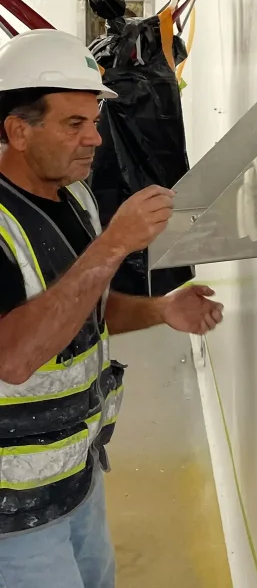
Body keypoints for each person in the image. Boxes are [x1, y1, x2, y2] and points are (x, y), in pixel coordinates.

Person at [0, 29, 223, 588]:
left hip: (78, 472)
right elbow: (15, 357)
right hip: (14, 510)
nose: (95, 139)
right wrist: (113, 246)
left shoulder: (75, 198)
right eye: (74, 124)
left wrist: (161, 309)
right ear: (17, 131)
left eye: (94, 121)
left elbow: (85, 311)